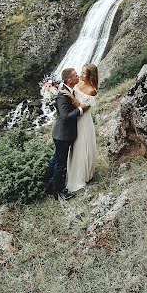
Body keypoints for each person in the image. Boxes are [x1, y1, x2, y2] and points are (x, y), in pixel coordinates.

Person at [50, 68, 90, 201]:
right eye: (75, 75)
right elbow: (65, 117)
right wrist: (80, 109)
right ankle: (59, 192)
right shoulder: (62, 96)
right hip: (62, 135)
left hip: (63, 134)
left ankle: (49, 184)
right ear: (69, 80)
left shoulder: (68, 90)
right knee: (60, 164)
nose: (78, 76)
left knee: (56, 160)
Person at [65, 64, 98, 193]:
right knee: (74, 147)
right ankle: (72, 171)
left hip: (83, 121)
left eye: (84, 73)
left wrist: (72, 97)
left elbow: (83, 109)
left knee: (81, 146)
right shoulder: (79, 84)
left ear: (91, 75)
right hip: (74, 119)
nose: (81, 75)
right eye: (82, 72)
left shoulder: (92, 90)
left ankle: (83, 175)